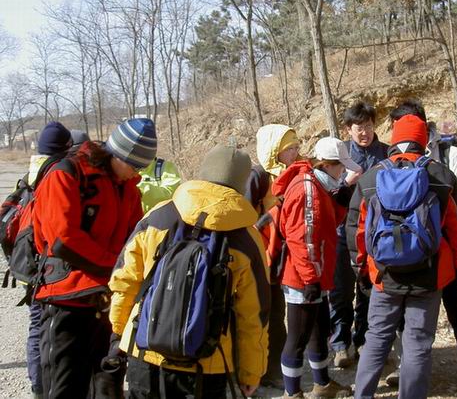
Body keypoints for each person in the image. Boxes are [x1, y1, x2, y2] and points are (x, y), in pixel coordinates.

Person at [109, 144, 270, 399]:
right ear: (242, 183)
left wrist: (118, 332)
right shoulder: (247, 238)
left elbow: (125, 280)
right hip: (207, 363)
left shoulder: (159, 215)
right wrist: (251, 372)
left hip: (144, 350)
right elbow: (254, 315)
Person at [33, 118, 155, 398]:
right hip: (67, 299)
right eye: (134, 165)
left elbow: (135, 239)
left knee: (108, 386)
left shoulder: (128, 188)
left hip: (108, 301)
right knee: (65, 387)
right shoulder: (66, 173)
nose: (136, 173)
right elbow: (63, 240)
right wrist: (115, 267)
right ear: (118, 154)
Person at [348, 112, 457, 399]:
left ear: (394, 139)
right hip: (429, 274)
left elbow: (357, 230)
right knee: (417, 343)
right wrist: (456, 265)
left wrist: (361, 268)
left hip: (384, 274)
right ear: (422, 141)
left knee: (376, 338)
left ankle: (362, 395)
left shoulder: (372, 177)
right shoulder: (441, 176)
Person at [274, 136, 355, 399]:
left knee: (319, 330)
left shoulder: (319, 185)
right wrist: (310, 279)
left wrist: (340, 204)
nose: (343, 173)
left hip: (316, 272)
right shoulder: (307, 189)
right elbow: (302, 237)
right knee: (298, 337)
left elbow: (324, 224)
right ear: (327, 165)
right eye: (340, 167)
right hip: (302, 276)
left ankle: (322, 384)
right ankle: (292, 393)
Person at [330, 102, 387, 368]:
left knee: (369, 289)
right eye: (359, 127)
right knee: (341, 290)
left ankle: (364, 340)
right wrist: (345, 182)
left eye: (368, 126)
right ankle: (340, 344)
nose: (364, 132)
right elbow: (327, 192)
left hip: (374, 233)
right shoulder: (339, 155)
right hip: (342, 231)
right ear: (348, 129)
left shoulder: (386, 153)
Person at [245, 124, 300, 390]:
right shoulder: (258, 177)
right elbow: (244, 216)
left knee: (277, 314)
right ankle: (253, 371)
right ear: (273, 151)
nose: (295, 152)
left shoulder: (295, 174)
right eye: (290, 148)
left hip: (280, 258)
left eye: (296, 147)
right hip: (258, 258)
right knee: (258, 315)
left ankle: (272, 369)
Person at [25, 122, 73, 399]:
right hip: (45, 266)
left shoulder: (30, 174)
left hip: (28, 264)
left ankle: (38, 385)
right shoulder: (57, 174)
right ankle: (45, 386)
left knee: (36, 326)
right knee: (45, 328)